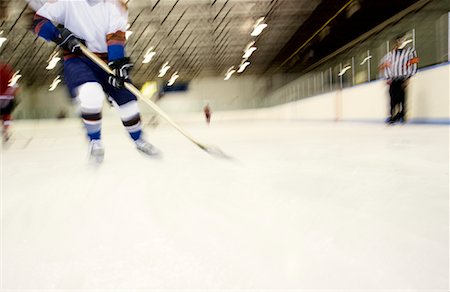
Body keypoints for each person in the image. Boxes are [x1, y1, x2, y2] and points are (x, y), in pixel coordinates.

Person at [32, 0, 158, 162]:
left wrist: (117, 63)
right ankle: (95, 141)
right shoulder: (67, 2)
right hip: (78, 58)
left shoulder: (116, 6)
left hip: (106, 60)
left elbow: (115, 37)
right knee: (90, 92)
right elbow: (39, 21)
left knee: (127, 100)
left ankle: (138, 139)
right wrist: (59, 36)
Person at [380, 34, 419, 124]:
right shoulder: (389, 55)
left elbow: (414, 64)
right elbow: (384, 66)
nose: (397, 44)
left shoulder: (410, 52)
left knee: (402, 98)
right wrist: (387, 78)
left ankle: (402, 115)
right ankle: (392, 116)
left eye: (399, 41)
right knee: (392, 99)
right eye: (396, 42)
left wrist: (408, 78)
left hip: (403, 78)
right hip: (393, 79)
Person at [0, 62, 19, 143]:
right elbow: (13, 84)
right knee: (7, 115)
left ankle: (5, 130)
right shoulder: (7, 70)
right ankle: (6, 131)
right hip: (8, 98)